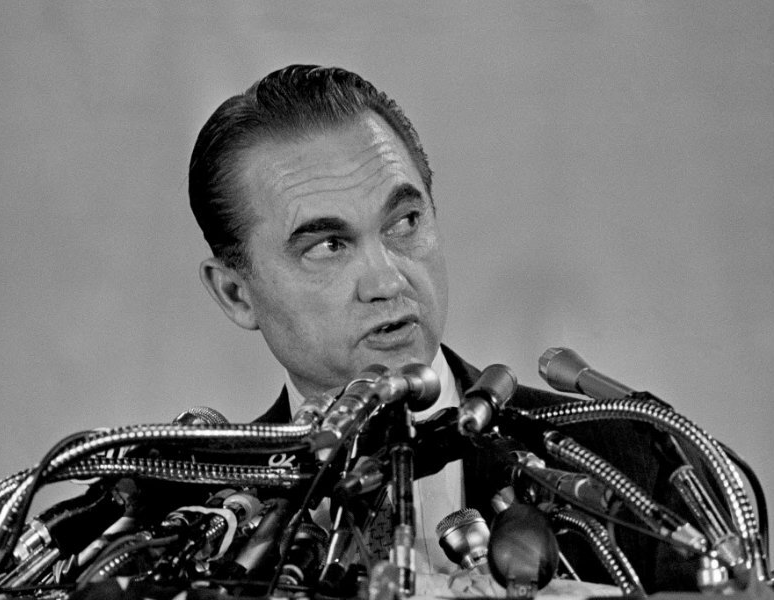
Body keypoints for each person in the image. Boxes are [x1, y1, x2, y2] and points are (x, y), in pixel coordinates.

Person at [187, 64, 696, 592]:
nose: (386, 280)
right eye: (328, 246)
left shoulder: (638, 470)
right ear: (235, 293)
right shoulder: (192, 518)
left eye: (404, 221)